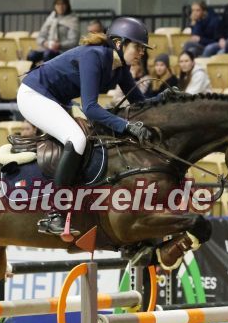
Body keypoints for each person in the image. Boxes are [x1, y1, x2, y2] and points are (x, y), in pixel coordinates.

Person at [17, 17, 153, 235]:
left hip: (57, 100)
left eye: (143, 49)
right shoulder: (94, 56)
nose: (142, 53)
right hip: (34, 95)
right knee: (77, 139)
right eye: (138, 47)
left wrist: (169, 99)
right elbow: (90, 107)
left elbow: (141, 103)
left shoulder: (120, 68)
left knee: (90, 137)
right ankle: (54, 213)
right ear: (119, 43)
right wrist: (127, 126)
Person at [28, 0, 79, 66]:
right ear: (54, 6)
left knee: (48, 54)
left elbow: (73, 41)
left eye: (63, 4)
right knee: (32, 55)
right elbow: (40, 36)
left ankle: (47, 73)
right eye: (58, 4)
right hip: (47, 48)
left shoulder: (72, 19)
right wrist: (45, 43)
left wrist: (59, 45)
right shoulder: (51, 18)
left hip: (63, 50)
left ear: (67, 6)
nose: (60, 7)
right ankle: (33, 73)